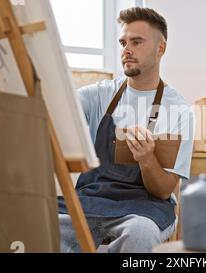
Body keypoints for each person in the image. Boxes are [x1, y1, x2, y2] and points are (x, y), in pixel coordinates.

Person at [58, 7, 194, 253]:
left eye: (136, 42)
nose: (126, 50)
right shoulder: (99, 95)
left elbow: (164, 190)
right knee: (43, 225)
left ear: (160, 48)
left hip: (144, 208)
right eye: (123, 42)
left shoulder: (179, 111)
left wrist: (147, 159)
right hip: (90, 200)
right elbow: (59, 104)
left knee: (140, 234)